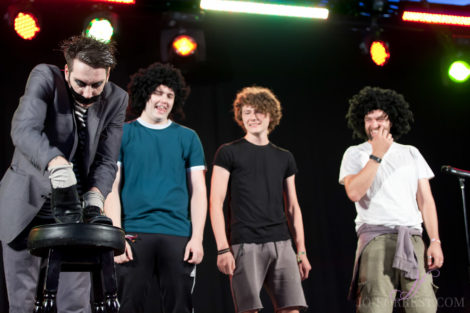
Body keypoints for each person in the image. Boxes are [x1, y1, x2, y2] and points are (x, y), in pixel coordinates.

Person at [0, 35, 128, 313]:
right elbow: (24, 129)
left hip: (74, 213)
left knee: (75, 305)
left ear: (108, 75)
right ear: (67, 71)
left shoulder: (117, 98)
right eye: (80, 83)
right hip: (26, 205)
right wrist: (56, 163)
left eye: (97, 84)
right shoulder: (45, 76)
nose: (87, 92)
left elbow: (107, 160)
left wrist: (95, 197)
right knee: (21, 305)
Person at [104, 62, 207, 313]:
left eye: (170, 95)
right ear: (145, 93)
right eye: (158, 93)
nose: (164, 100)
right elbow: (111, 187)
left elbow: (199, 192)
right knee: (128, 306)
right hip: (134, 234)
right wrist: (116, 236)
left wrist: (197, 238)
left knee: (180, 307)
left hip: (178, 236)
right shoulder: (123, 133)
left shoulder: (188, 137)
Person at [339, 86, 444, 312]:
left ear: (392, 120)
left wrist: (435, 241)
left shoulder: (410, 152)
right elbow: (354, 193)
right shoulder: (354, 153)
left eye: (381, 118)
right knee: (375, 307)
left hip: (413, 238)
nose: (375, 124)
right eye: (369, 119)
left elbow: (426, 200)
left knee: (424, 307)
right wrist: (377, 154)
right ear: (362, 122)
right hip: (376, 238)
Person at [210, 86, 311, 313]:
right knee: (249, 310)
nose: (252, 117)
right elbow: (215, 202)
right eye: (247, 113)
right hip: (244, 242)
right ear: (240, 117)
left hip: (282, 243)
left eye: (258, 112)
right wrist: (222, 249)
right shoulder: (228, 153)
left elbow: (293, 207)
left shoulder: (284, 157)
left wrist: (301, 250)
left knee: (291, 309)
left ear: (270, 115)